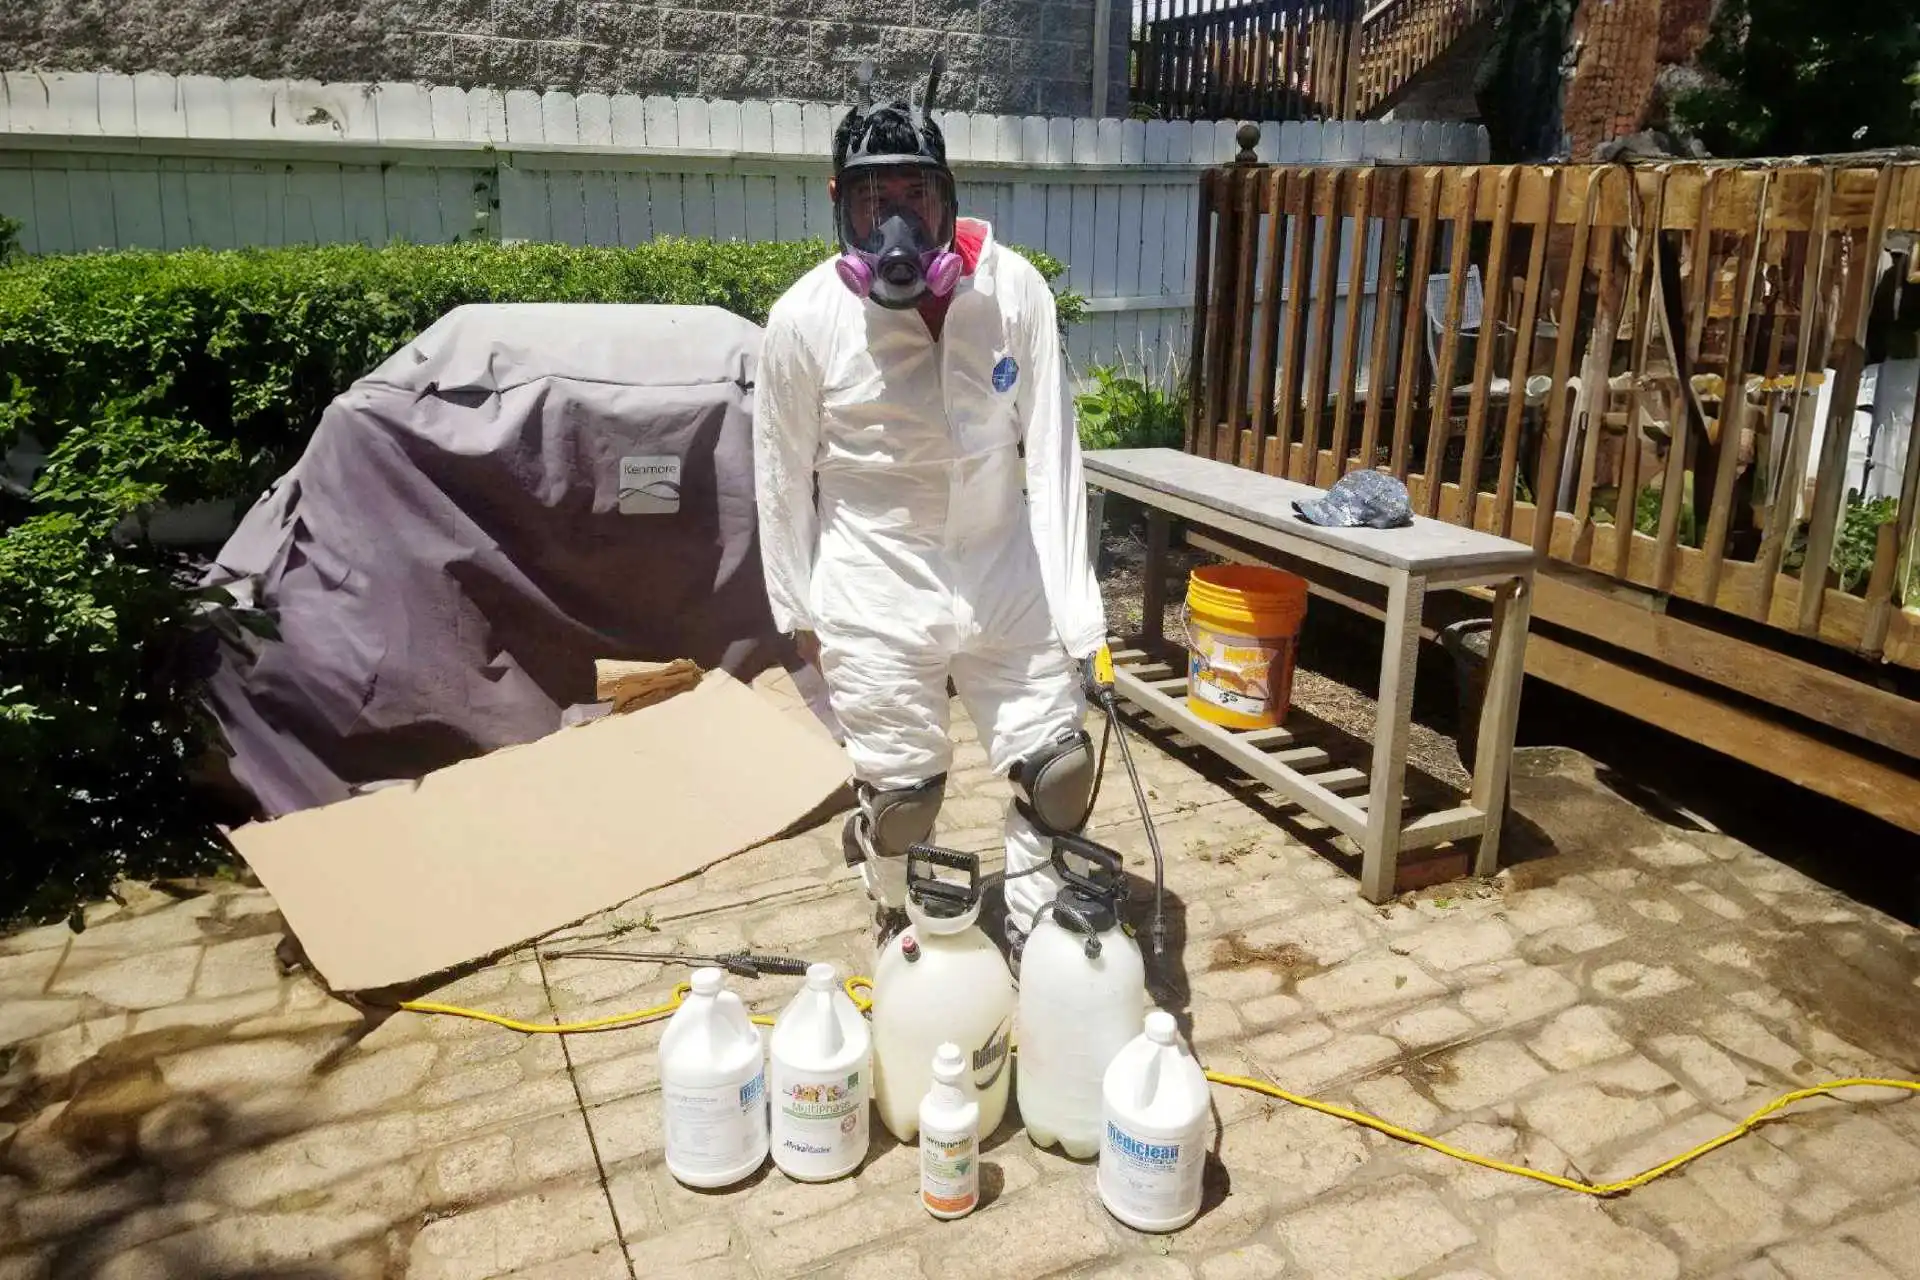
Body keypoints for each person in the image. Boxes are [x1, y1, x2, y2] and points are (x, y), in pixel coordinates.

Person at [751, 57, 1107, 969]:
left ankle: (1036, 904)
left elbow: (1056, 452)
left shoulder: (1013, 292)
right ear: (841, 204)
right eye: (874, 204)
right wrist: (797, 616)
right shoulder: (802, 322)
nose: (897, 226)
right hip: (874, 583)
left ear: (950, 202)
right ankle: (892, 901)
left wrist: (1079, 616)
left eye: (917, 197)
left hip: (1001, 570)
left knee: (1062, 774)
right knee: (907, 797)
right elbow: (781, 476)